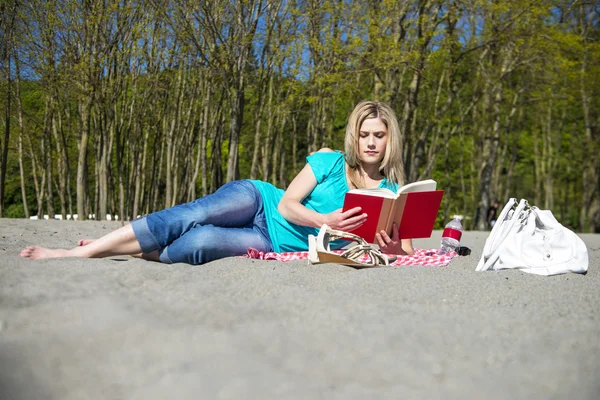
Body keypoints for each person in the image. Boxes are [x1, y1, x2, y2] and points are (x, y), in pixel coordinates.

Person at [19, 101, 413, 264]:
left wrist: (389, 246)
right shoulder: (329, 161)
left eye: (379, 135)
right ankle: (74, 254)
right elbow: (287, 205)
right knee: (196, 213)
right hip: (260, 202)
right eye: (365, 134)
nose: (371, 142)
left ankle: (135, 248)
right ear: (355, 137)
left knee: (201, 242)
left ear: (389, 139)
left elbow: (406, 251)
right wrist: (325, 220)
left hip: (274, 243)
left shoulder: (394, 193)